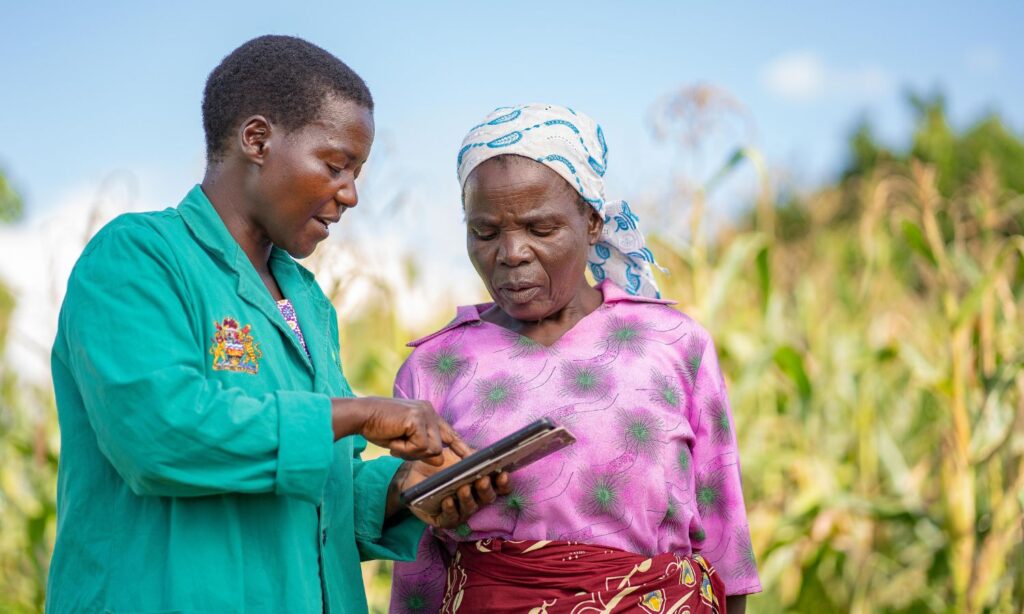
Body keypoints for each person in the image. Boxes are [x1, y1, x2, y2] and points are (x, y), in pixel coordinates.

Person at [46, 35, 505, 614]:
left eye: (357, 171)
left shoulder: (307, 301)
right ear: (257, 140)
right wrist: (358, 413)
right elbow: (159, 434)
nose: (352, 194)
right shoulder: (138, 258)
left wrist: (402, 489)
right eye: (336, 165)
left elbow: (317, 489)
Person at [389, 104, 761, 613]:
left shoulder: (673, 342)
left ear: (591, 222)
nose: (512, 252)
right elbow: (420, 561)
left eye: (540, 229)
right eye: (485, 232)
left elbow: (724, 537)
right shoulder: (435, 366)